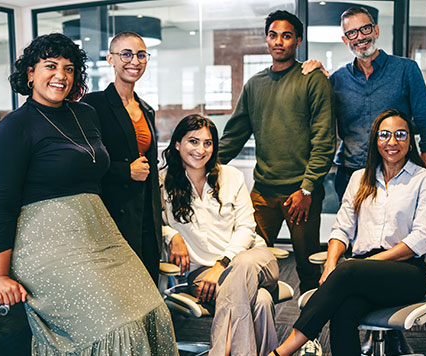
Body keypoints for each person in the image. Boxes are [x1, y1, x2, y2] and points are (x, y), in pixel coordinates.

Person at [0, 33, 178, 355]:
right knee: (118, 325)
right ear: (30, 73)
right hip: (46, 244)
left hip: (99, 235)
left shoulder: (85, 114)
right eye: (50, 66)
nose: (60, 75)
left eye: (69, 68)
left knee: (153, 308)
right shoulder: (13, 128)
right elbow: (2, 205)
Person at [267, 109, 426, 356]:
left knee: (349, 268)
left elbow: (420, 239)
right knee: (343, 312)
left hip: (406, 273)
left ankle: (283, 351)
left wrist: (365, 264)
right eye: (385, 135)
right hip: (360, 273)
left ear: (410, 139)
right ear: (375, 140)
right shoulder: (360, 178)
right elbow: (342, 228)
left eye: (400, 134)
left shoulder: (423, 179)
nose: (392, 142)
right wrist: (329, 265)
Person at [218, 10, 336, 294]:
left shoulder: (312, 80)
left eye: (286, 36)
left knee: (307, 269)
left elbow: (324, 140)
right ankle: (259, 327)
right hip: (262, 192)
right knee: (248, 260)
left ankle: (310, 336)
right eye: (273, 35)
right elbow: (233, 137)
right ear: (266, 39)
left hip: (301, 194)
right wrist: (202, 165)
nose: (278, 41)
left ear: (297, 40)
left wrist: (307, 189)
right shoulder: (255, 85)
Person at [161, 114, 279, 356]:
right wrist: (171, 235)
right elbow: (150, 223)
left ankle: (222, 350)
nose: (201, 149)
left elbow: (247, 228)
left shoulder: (231, 176)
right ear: (177, 144)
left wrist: (222, 264)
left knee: (242, 265)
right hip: (202, 273)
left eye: (207, 143)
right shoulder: (162, 183)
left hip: (253, 258)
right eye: (193, 141)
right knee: (262, 301)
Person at [302, 6, 426, 203]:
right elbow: (319, 122)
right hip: (350, 175)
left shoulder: (406, 70)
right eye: (351, 33)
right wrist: (316, 74)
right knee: (351, 232)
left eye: (365, 29)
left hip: (397, 174)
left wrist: (423, 175)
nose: (359, 37)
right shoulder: (337, 79)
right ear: (345, 40)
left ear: (376, 30)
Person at [82, 31, 161, 284]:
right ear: (111, 59)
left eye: (140, 55)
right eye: (126, 54)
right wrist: (125, 171)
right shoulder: (93, 105)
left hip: (145, 212)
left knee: (147, 285)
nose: (134, 61)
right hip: (112, 212)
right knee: (121, 289)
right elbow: (84, 162)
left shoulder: (146, 109)